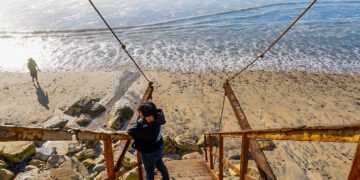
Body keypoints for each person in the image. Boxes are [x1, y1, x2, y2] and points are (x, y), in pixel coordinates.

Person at [127, 101, 169, 180]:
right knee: (159, 163)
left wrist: (140, 121)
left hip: (149, 151)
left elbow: (129, 131)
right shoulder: (158, 117)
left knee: (149, 171)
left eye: (140, 112)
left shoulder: (141, 124)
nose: (139, 113)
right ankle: (166, 178)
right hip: (159, 145)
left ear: (143, 114)